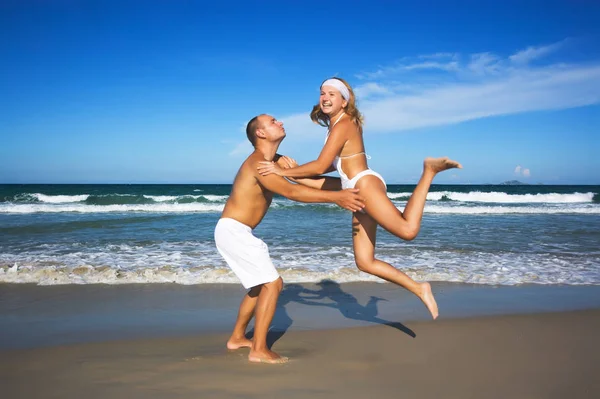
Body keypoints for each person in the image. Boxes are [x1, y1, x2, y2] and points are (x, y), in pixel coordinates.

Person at [257, 77, 462, 320]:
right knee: (365, 262)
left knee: (408, 230)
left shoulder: (345, 124)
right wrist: (295, 174)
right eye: (323, 93)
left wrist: (284, 172)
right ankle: (419, 288)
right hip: (352, 186)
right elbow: (335, 168)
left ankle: (428, 171)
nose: (325, 97)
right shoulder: (336, 126)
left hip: (364, 184)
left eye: (332, 94)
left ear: (344, 101)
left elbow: (322, 165)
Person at [215, 113, 365, 364]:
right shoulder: (258, 163)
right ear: (260, 133)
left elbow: (308, 180)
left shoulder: (271, 161)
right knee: (273, 284)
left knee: (258, 287)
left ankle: (237, 338)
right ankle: (259, 350)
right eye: (273, 122)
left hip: (234, 230)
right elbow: (292, 191)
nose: (281, 122)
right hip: (233, 230)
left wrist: (348, 184)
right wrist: (337, 197)